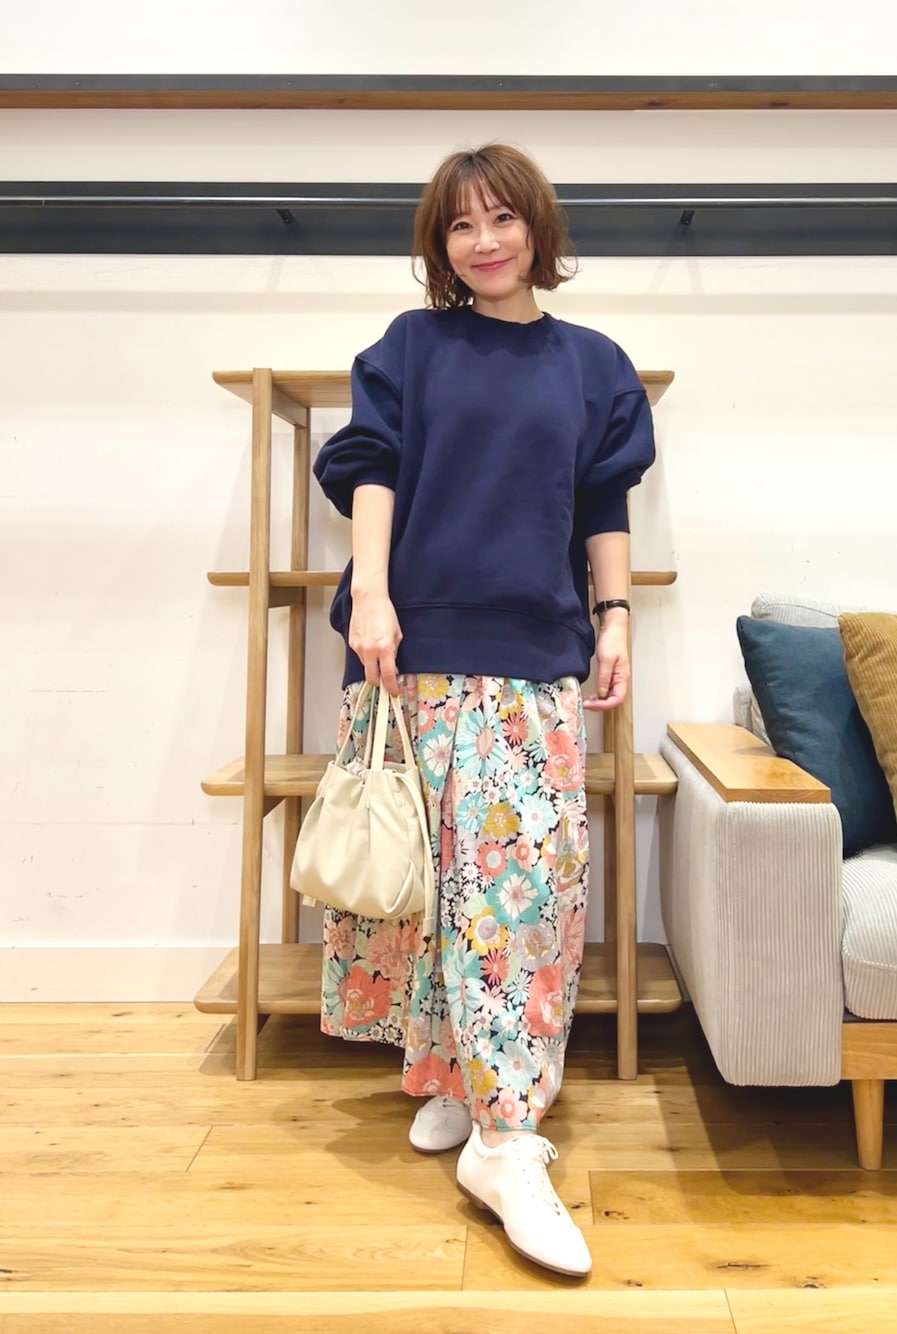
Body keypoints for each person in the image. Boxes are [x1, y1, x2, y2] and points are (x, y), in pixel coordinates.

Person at [313, 143, 655, 1278]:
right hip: (410, 651)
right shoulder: (412, 346)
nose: (483, 241)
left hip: (532, 654)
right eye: (460, 225)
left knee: (519, 895)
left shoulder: (591, 363)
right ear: (440, 246)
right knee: (427, 889)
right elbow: (371, 467)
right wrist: (371, 593)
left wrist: (615, 615)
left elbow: (602, 497)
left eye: (502, 218)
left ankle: (505, 1141)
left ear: (537, 229)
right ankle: (462, 1084)